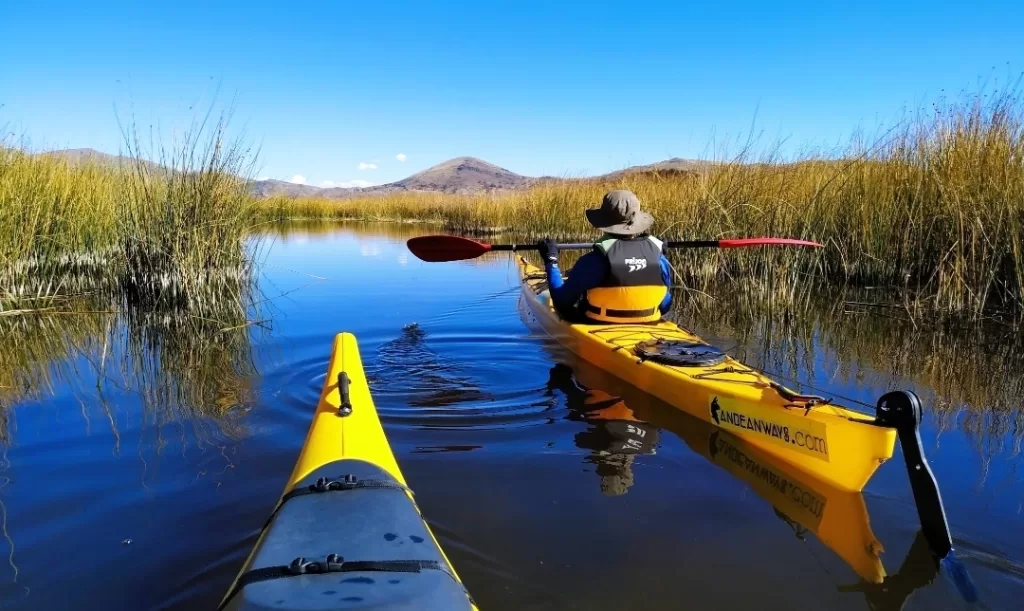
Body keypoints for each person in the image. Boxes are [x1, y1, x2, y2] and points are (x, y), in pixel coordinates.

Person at [537, 189, 673, 323]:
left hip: (599, 325)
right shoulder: (660, 260)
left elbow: (561, 302)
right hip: (650, 326)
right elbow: (665, 306)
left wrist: (551, 260)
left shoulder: (591, 262)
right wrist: (658, 254)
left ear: (603, 223)